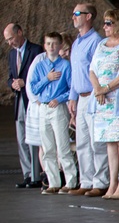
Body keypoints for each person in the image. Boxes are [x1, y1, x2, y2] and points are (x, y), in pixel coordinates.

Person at [89, 9, 119, 199]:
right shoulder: (101, 43)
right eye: (105, 23)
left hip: (116, 97)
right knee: (109, 141)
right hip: (101, 98)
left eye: (109, 23)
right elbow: (92, 68)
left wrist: (106, 87)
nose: (105, 26)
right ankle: (112, 181)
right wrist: (97, 88)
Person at [29, 32, 79, 194]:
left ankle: (70, 182)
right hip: (43, 107)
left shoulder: (65, 66)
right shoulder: (39, 66)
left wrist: (59, 98)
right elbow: (34, 88)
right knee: (48, 147)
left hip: (58, 107)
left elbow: (71, 88)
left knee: (62, 146)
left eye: (55, 44)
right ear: (44, 46)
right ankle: (53, 182)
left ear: (59, 46)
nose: (51, 47)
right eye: (49, 43)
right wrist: (47, 78)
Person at [67, 3, 108, 195]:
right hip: (80, 96)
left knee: (95, 141)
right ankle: (86, 181)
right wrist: (72, 97)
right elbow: (76, 72)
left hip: (93, 95)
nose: (73, 16)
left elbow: (96, 71)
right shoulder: (76, 42)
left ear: (89, 16)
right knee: (82, 141)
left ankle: (100, 183)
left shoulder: (96, 41)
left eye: (77, 13)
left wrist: (96, 93)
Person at [5, 22, 44, 188]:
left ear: (20, 32)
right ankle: (27, 174)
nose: (10, 43)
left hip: (33, 101)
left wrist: (25, 81)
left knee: (35, 137)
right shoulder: (11, 55)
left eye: (11, 38)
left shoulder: (36, 50)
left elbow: (40, 73)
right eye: (7, 40)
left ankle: (38, 174)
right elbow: (9, 77)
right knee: (21, 138)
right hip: (19, 101)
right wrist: (12, 84)